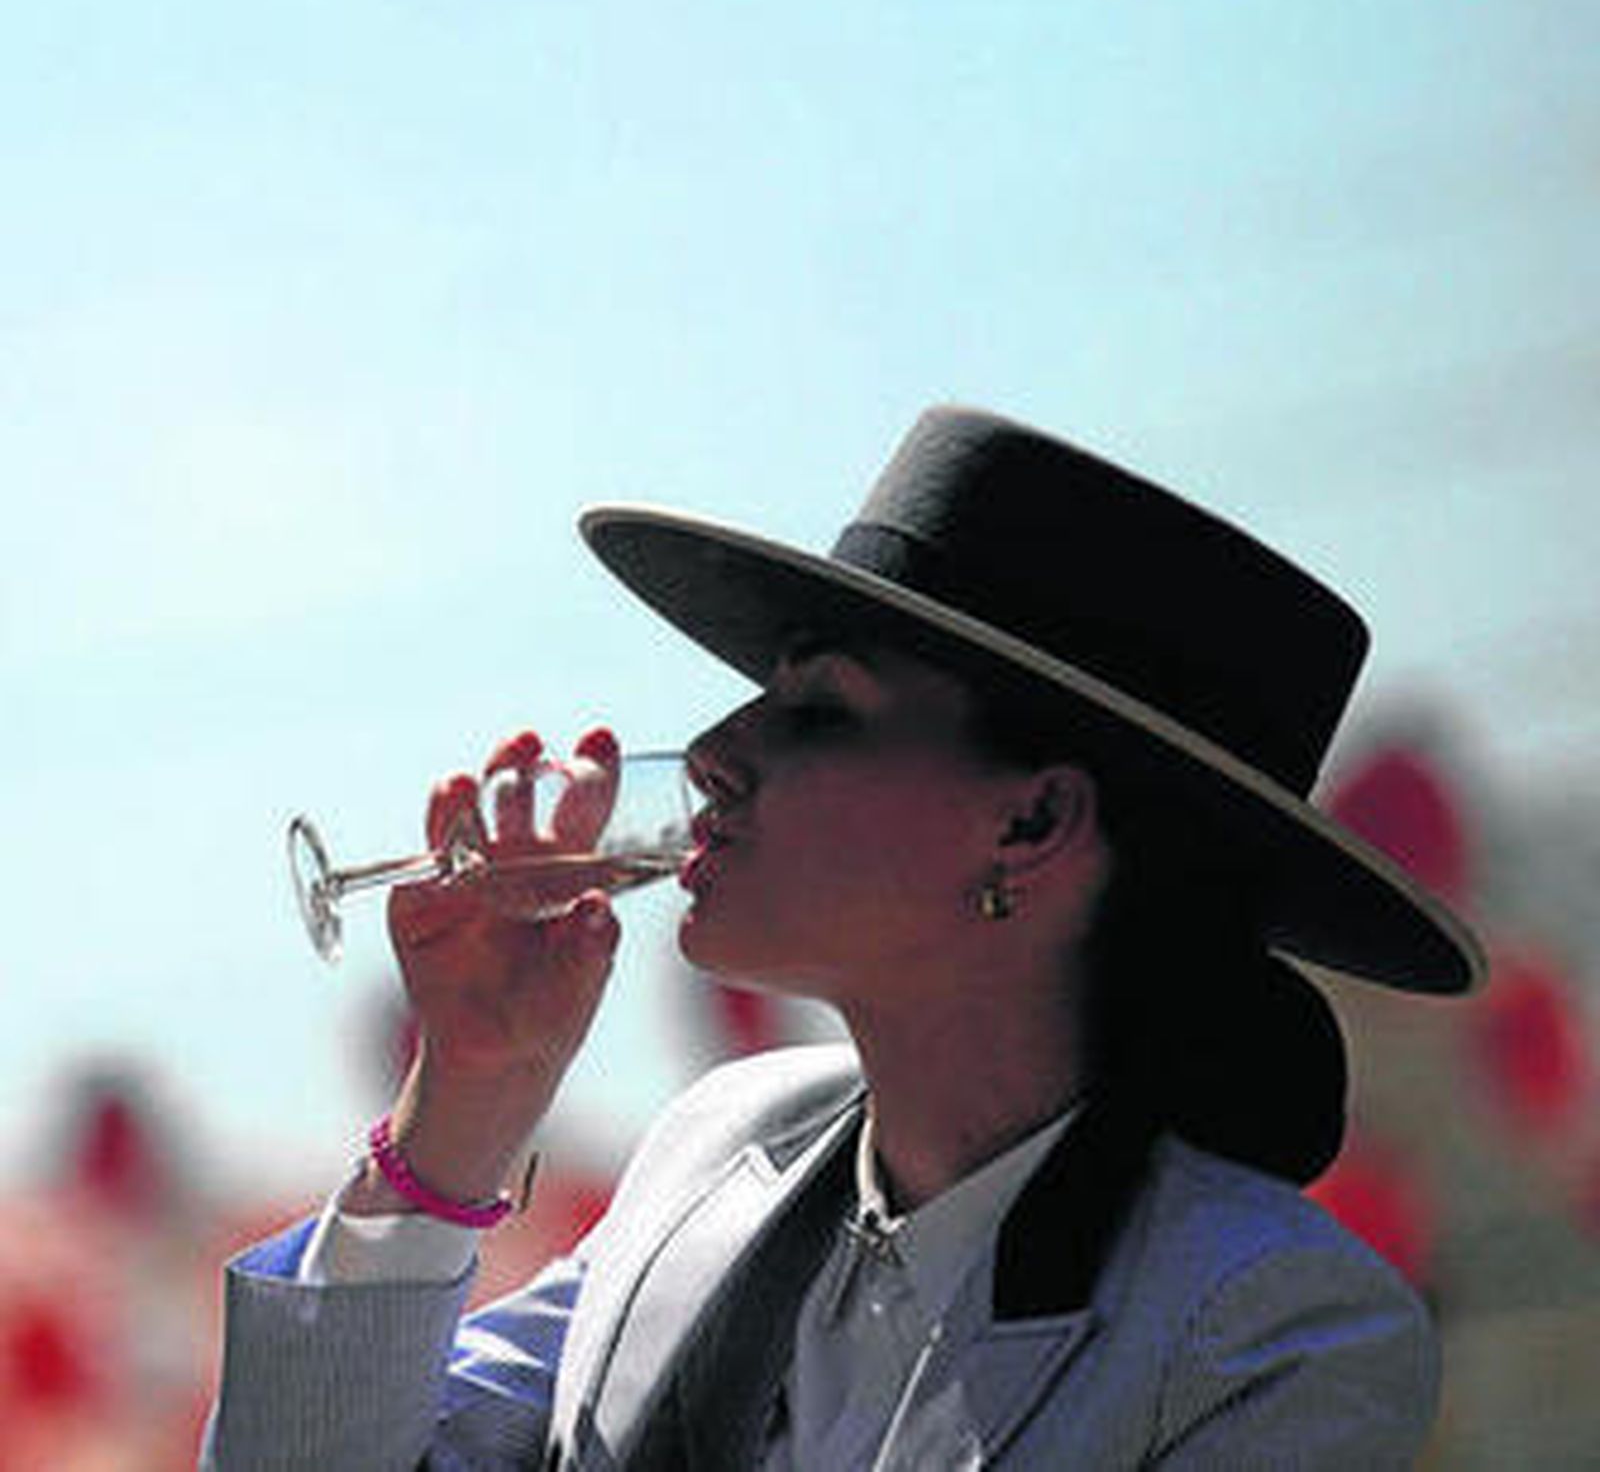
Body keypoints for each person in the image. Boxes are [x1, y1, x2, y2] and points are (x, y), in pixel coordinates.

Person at [203, 405, 1486, 1470]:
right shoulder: (717, 1156)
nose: (713, 753)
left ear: (1030, 821)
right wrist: (468, 1098)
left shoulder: (1270, 1332)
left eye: (818, 709)